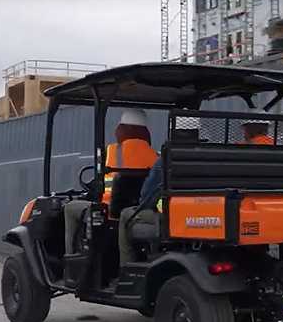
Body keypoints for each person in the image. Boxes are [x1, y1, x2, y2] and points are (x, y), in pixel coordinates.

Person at [64, 109, 157, 256]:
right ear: (146, 133)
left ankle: (69, 258)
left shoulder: (111, 152)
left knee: (70, 208)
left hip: (108, 212)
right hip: (140, 212)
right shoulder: (156, 157)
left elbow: (98, 184)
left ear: (123, 130)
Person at [117, 127, 201, 267]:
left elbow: (146, 196)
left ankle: (125, 268)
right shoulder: (205, 155)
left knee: (126, 215)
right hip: (201, 216)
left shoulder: (166, 159)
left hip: (168, 218)